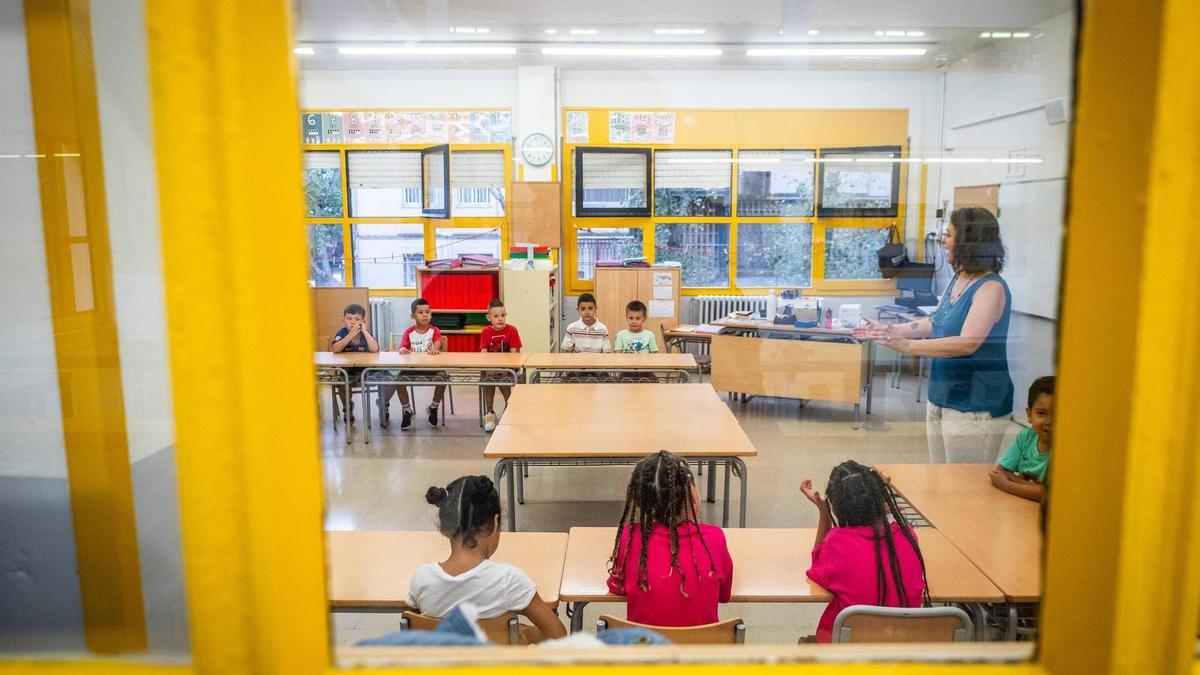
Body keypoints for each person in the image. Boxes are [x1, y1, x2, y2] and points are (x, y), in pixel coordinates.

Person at [855, 207, 1014, 463]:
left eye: (949, 234)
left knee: (964, 488)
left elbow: (967, 343)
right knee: (940, 480)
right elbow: (936, 320)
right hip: (943, 396)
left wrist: (906, 346)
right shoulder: (960, 279)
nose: (943, 239)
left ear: (969, 242)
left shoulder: (991, 287)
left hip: (975, 404)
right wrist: (892, 330)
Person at [407, 476, 566, 642]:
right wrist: (520, 633)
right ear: (495, 523)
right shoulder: (509, 580)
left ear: (444, 528)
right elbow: (558, 635)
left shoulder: (422, 578)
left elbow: (413, 632)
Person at [800, 460, 930, 643]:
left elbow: (817, 562)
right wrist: (881, 507)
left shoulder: (837, 543)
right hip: (901, 656)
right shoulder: (907, 534)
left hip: (846, 660)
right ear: (880, 499)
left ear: (836, 509)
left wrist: (823, 512)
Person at [607, 451, 733, 627]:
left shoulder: (630, 538)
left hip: (645, 651)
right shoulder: (714, 538)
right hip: (703, 652)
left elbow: (617, 588)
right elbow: (724, 595)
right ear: (692, 497)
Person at [378, 297, 447, 430]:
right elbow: (402, 347)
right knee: (399, 378)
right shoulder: (409, 332)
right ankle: (407, 410)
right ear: (413, 316)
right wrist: (403, 349)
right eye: (420, 312)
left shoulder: (434, 330)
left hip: (430, 369)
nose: (425, 315)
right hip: (412, 369)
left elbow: (438, 342)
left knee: (443, 376)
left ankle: (433, 407)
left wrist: (435, 348)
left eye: (428, 312)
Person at [990, 376, 1054, 502]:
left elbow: (1048, 496)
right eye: (1041, 413)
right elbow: (1001, 471)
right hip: (1019, 505)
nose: (1049, 421)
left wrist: (1007, 484)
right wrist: (1036, 488)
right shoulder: (1025, 437)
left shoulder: (1066, 450)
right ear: (1029, 414)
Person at [329, 303, 379, 422]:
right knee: (341, 384)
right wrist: (350, 335)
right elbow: (335, 349)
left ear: (363, 321)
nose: (352, 322)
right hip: (347, 371)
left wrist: (365, 331)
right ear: (343, 320)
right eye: (349, 319)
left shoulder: (365, 333)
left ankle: (383, 405)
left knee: (385, 377)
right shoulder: (342, 332)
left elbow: (375, 349)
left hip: (366, 371)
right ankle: (348, 408)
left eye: (357, 319)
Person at [479, 299, 521, 432]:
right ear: (489, 317)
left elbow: (514, 355)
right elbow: (483, 353)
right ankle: (490, 413)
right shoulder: (486, 332)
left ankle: (508, 410)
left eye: (503, 315)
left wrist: (505, 367)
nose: (500, 319)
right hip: (491, 370)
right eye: (496, 316)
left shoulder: (512, 330)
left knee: (503, 377)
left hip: (507, 370)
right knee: (488, 378)